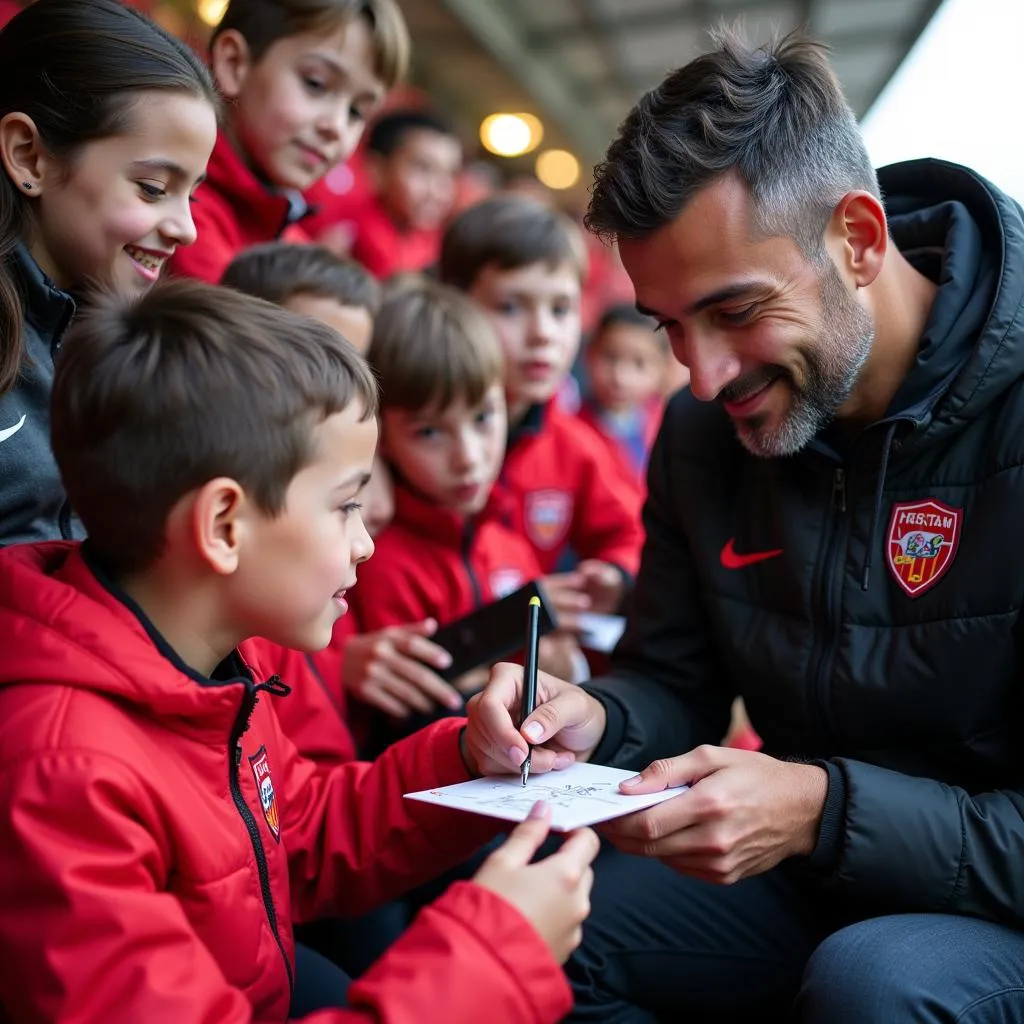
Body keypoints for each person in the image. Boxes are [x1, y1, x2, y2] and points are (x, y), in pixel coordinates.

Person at [464, 28, 1024, 1024]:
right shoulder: (699, 436)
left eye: (734, 310)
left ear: (857, 238)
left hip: (991, 910)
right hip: (816, 875)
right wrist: (594, 722)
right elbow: (674, 682)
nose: (702, 373)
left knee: (876, 981)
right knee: (525, 932)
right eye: (668, 325)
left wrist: (821, 806)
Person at [0, 278, 599, 1023]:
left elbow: (301, 834)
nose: (366, 539)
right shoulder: (63, 774)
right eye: (346, 504)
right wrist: (493, 961)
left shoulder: (209, 662)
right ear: (224, 524)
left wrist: (468, 760)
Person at [0, 0, 217, 545]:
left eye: (193, 193)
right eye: (153, 188)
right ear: (29, 156)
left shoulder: (132, 355)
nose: (186, 229)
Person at [350, 278, 585, 730]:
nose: (470, 458)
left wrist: (565, 668)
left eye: (483, 418)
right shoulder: (375, 560)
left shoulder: (505, 534)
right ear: (383, 436)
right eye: (430, 433)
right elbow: (413, 717)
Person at [440, 195, 645, 629]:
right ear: (454, 304)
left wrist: (616, 573)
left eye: (560, 309)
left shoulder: (571, 444)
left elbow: (631, 531)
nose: (543, 334)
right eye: (510, 307)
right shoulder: (409, 430)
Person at [168, 0, 409, 284]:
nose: (337, 127)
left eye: (357, 112)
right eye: (316, 83)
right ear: (234, 63)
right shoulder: (177, 214)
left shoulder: (294, 248)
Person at [338, 108, 462, 279]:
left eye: (450, 174)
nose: (439, 190)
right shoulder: (344, 239)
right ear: (377, 169)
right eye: (423, 169)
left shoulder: (439, 256)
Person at [578, 303, 674, 488]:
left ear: (663, 369)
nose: (620, 376)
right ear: (589, 354)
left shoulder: (664, 423)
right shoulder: (574, 430)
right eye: (610, 357)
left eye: (639, 363)